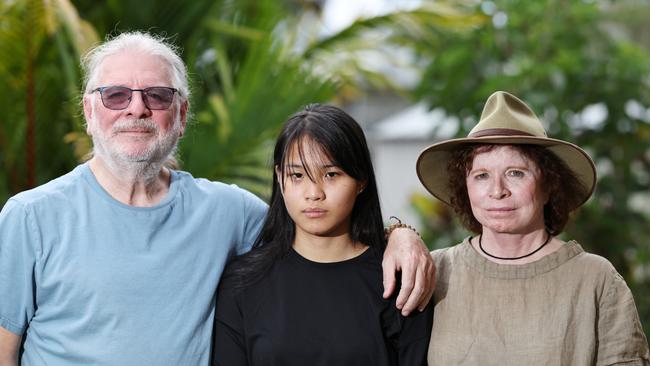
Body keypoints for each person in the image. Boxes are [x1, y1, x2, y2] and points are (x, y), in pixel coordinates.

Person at [0, 32, 434, 366]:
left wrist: (400, 234)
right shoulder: (29, 218)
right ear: (89, 113)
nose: (136, 109)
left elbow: (320, 225)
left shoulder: (228, 211)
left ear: (182, 115)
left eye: (157, 95)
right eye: (115, 95)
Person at [416, 90, 650, 365]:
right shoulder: (433, 270)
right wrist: (399, 233)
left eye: (516, 173)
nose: (497, 191)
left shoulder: (595, 279)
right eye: (481, 176)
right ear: (464, 188)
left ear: (549, 185)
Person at [212, 104, 433, 365]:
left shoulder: (399, 281)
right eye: (297, 175)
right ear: (279, 177)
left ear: (361, 180)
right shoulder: (243, 283)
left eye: (331, 174)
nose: (313, 193)